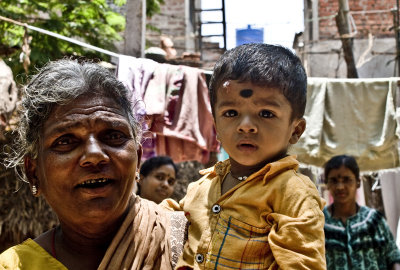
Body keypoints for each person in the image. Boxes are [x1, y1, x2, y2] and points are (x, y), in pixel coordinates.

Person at [161, 43, 326, 269]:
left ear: (295, 130)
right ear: (216, 126)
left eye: (266, 114)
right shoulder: (203, 185)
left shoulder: (293, 194)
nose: (246, 126)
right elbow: (170, 219)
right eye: (231, 113)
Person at [0, 59, 174, 270]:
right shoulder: (15, 266)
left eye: (113, 135)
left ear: (137, 159)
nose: (94, 155)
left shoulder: (191, 245)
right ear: (33, 172)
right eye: (65, 141)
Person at [323, 155, 400, 270]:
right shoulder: (319, 223)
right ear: (327, 184)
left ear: (358, 182)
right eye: (334, 180)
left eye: (346, 180)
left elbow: (393, 258)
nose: (340, 187)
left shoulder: (374, 221)